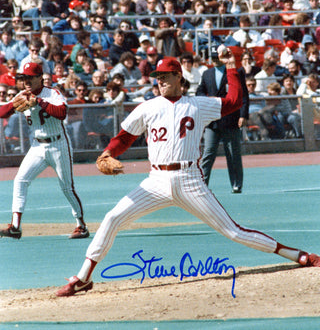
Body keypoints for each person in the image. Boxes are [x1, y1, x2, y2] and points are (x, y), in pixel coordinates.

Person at [55, 54, 320, 297]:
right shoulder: (147, 107)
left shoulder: (198, 104)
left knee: (234, 232)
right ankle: (83, 277)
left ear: (179, 78)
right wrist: (108, 153)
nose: (160, 81)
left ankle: (299, 256)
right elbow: (124, 137)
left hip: (190, 180)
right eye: (157, 77)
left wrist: (230, 68)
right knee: (112, 218)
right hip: (155, 182)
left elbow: (234, 101)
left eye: (165, 77)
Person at [0, 62, 89, 240]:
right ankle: (16, 227)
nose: (26, 81)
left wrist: (39, 102)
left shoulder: (52, 93)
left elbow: (62, 112)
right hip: (37, 147)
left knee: (67, 187)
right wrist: (14, 105)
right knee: (20, 180)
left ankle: (81, 225)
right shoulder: (22, 95)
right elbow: (2, 112)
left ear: (40, 78)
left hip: (58, 144)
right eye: (24, 77)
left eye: (30, 77)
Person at [196, 49, 249, 192]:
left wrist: (243, 115)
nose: (214, 60)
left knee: (233, 154)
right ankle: (202, 184)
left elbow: (243, 95)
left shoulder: (235, 72)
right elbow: (199, 91)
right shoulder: (207, 74)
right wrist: (207, 100)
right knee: (208, 153)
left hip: (231, 120)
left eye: (216, 57)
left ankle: (236, 184)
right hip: (212, 122)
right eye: (212, 58)